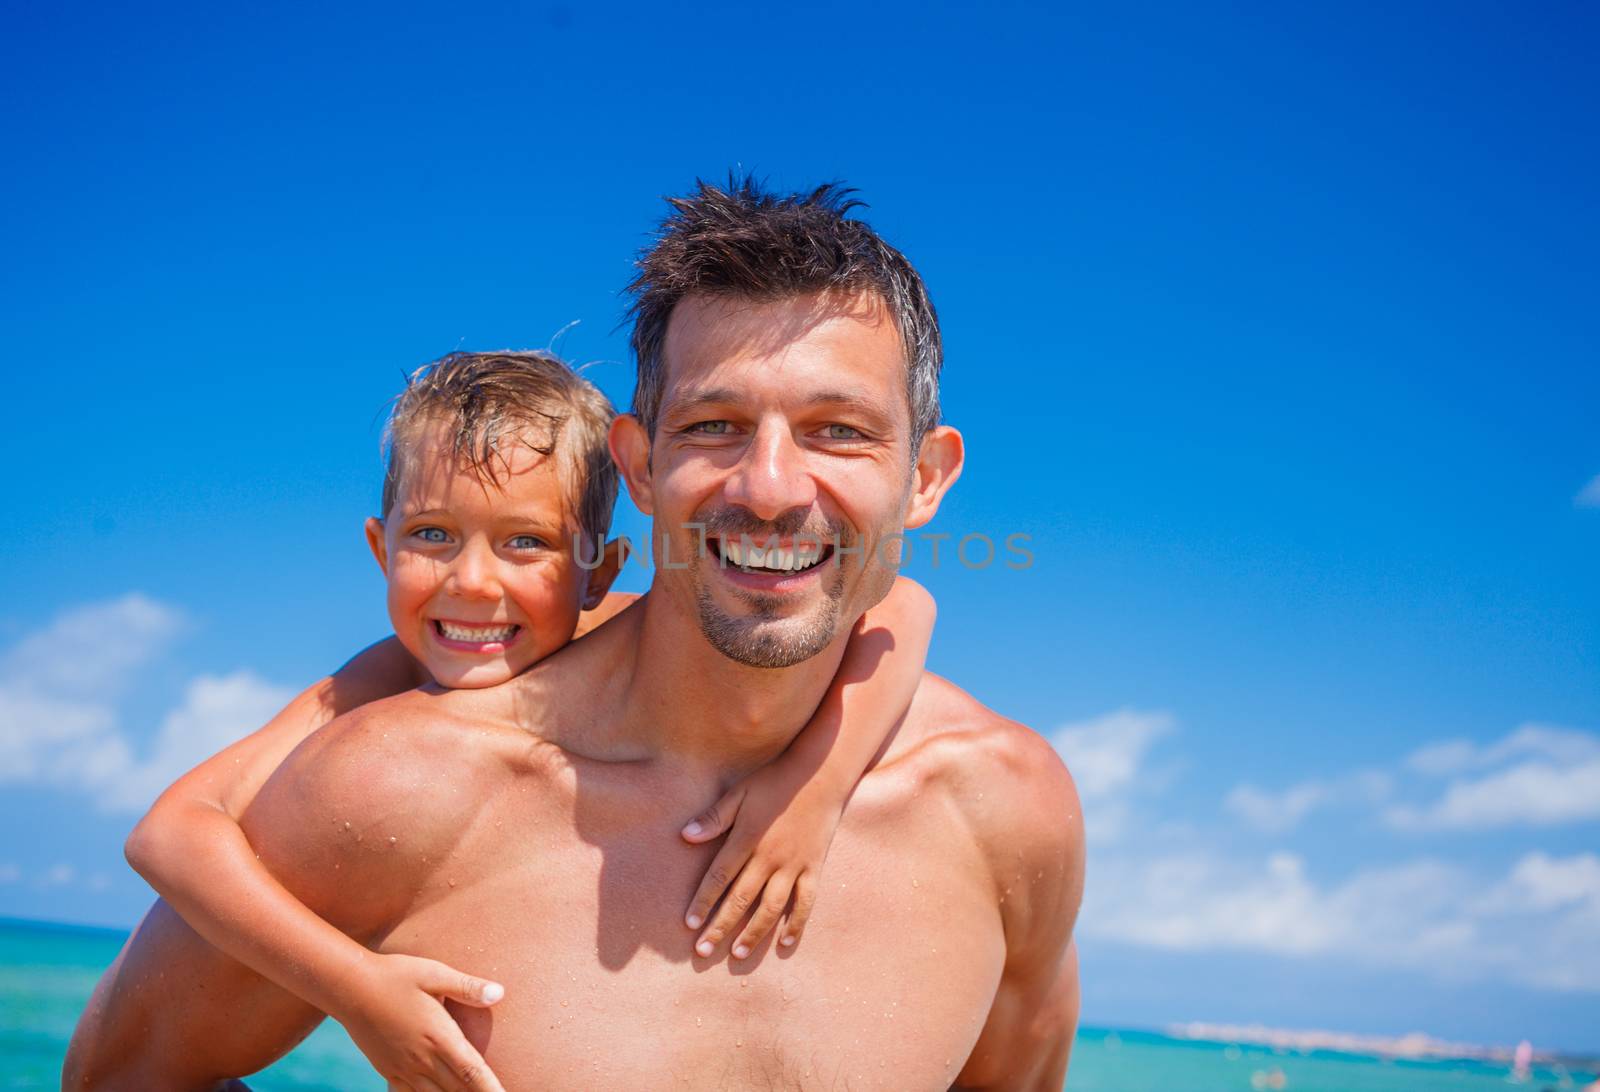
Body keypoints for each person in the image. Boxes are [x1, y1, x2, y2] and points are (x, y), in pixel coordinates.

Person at [65, 177, 1084, 1090]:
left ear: (926, 478)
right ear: (637, 467)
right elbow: (119, 1076)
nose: (770, 489)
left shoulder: (1003, 812)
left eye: (838, 430)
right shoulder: (406, 788)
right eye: (714, 425)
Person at [88, 349, 936, 1091]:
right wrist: (356, 991)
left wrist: (811, 789)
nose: (473, 584)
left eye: (525, 543)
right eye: (433, 535)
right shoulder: (369, 687)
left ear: (597, 574)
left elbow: (905, 601)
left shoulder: (616, 633)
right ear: (382, 550)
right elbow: (165, 837)